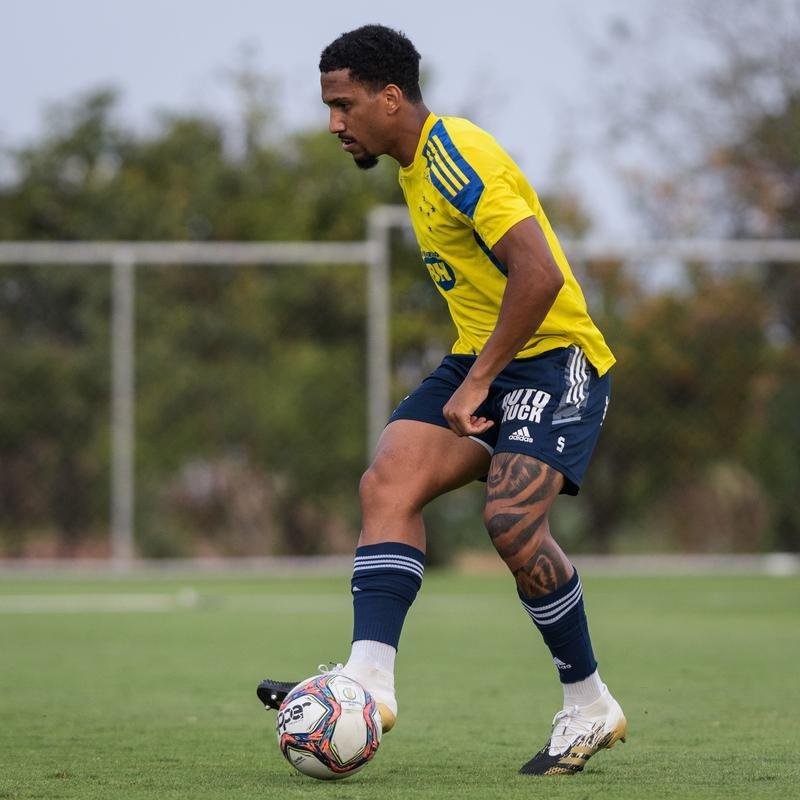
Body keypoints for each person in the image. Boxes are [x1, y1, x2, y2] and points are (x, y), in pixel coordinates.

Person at [258, 23, 627, 776]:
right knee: (388, 481)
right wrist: (478, 370)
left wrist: (482, 379)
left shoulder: (455, 154)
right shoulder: (410, 168)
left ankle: (589, 704)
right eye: (329, 107)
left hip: (557, 360)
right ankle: (369, 682)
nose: (334, 123)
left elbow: (539, 275)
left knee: (512, 521)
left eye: (344, 104)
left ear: (391, 99)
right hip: (484, 357)